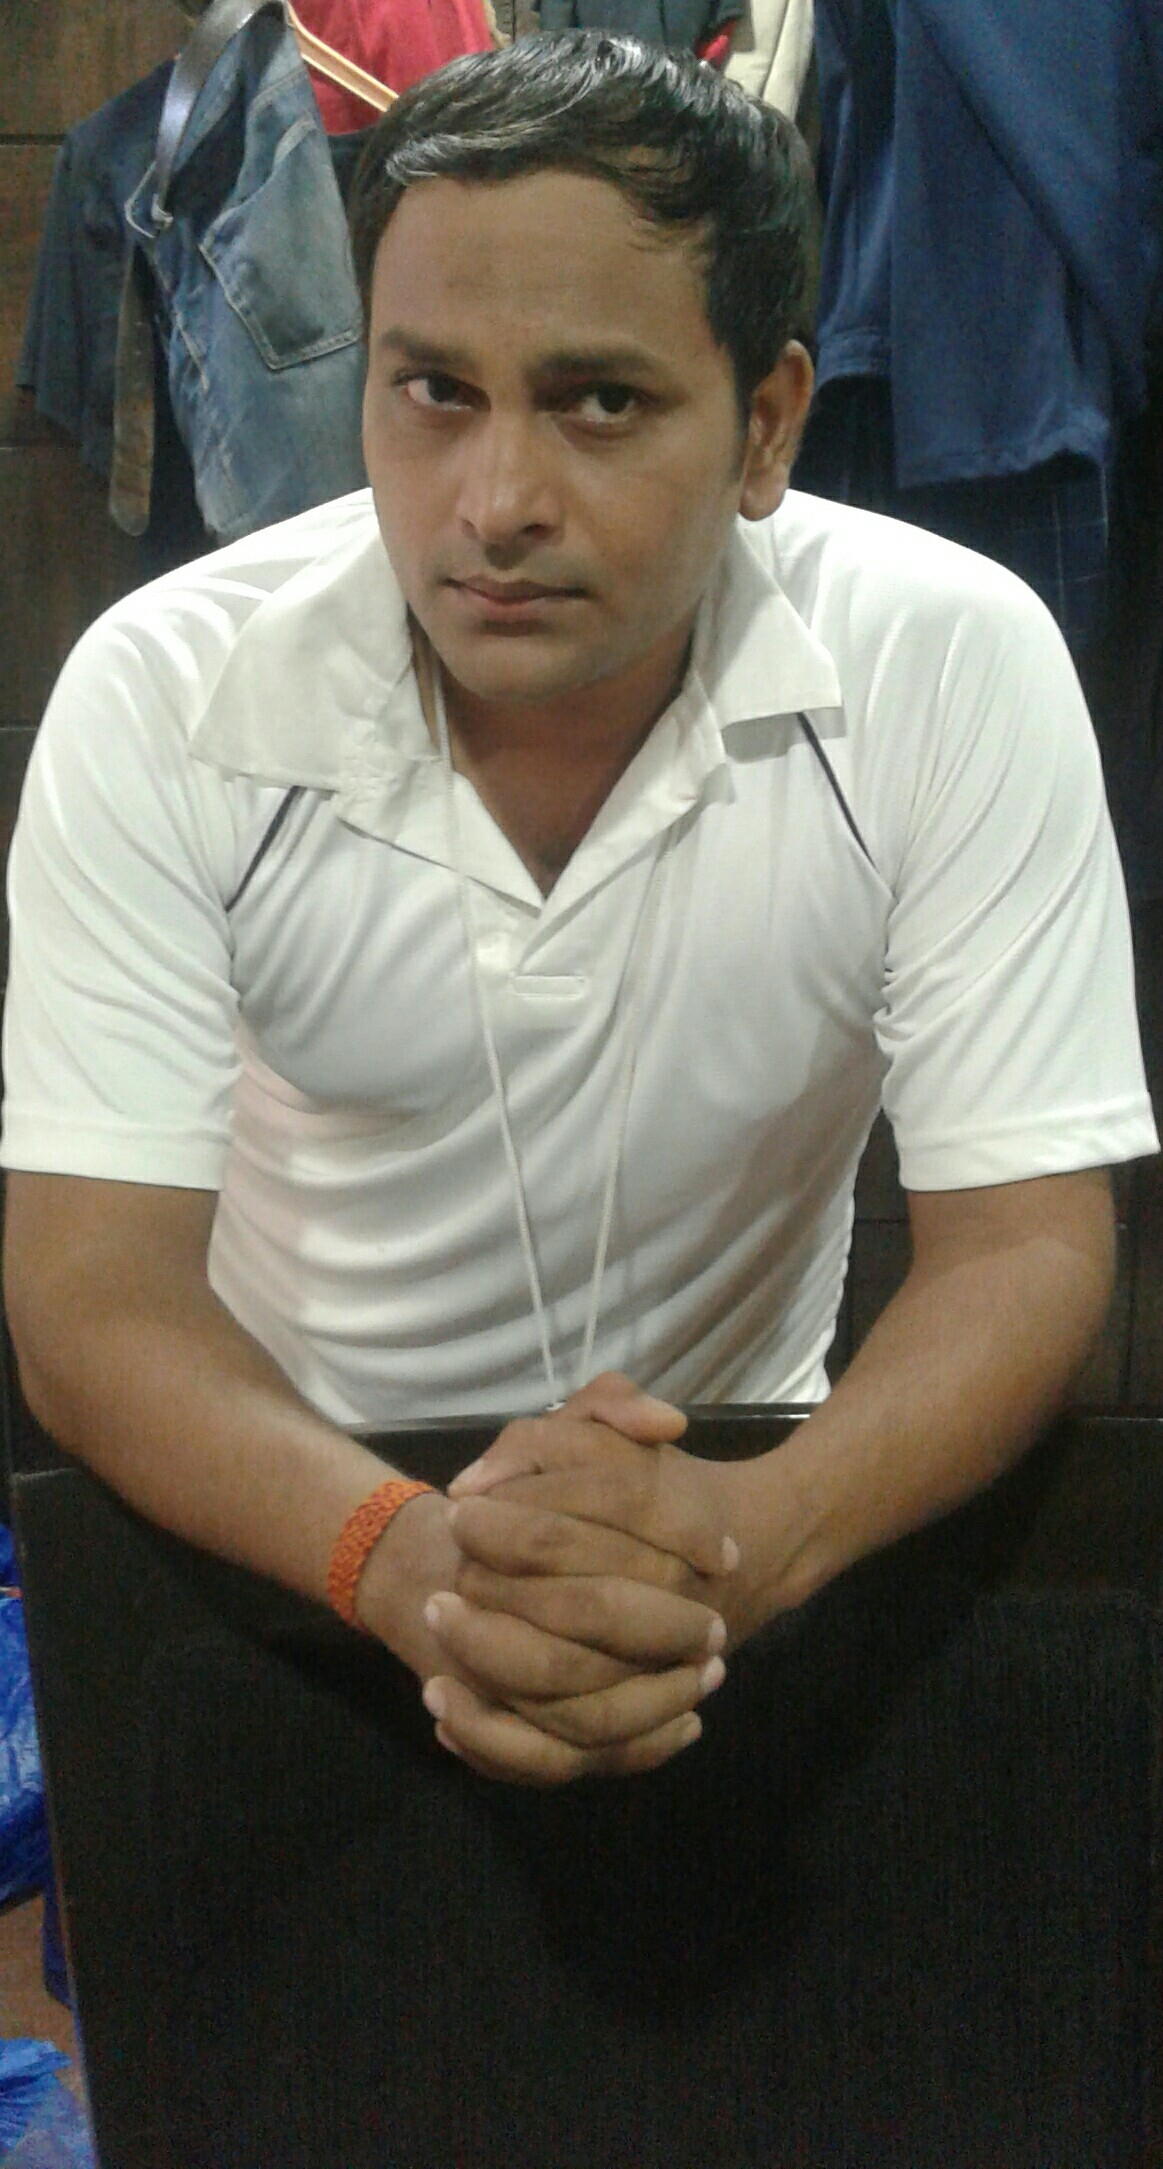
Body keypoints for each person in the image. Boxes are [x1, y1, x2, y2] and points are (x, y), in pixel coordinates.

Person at [2, 34, 1155, 1788]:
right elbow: (93, 1290)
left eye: (599, 402)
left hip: (744, 1525)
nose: (496, 503)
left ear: (768, 424)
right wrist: (403, 1557)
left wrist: (748, 1538)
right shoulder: (166, 691)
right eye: (431, 391)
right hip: (278, 1520)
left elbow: (1029, 1245)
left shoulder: (948, 663)